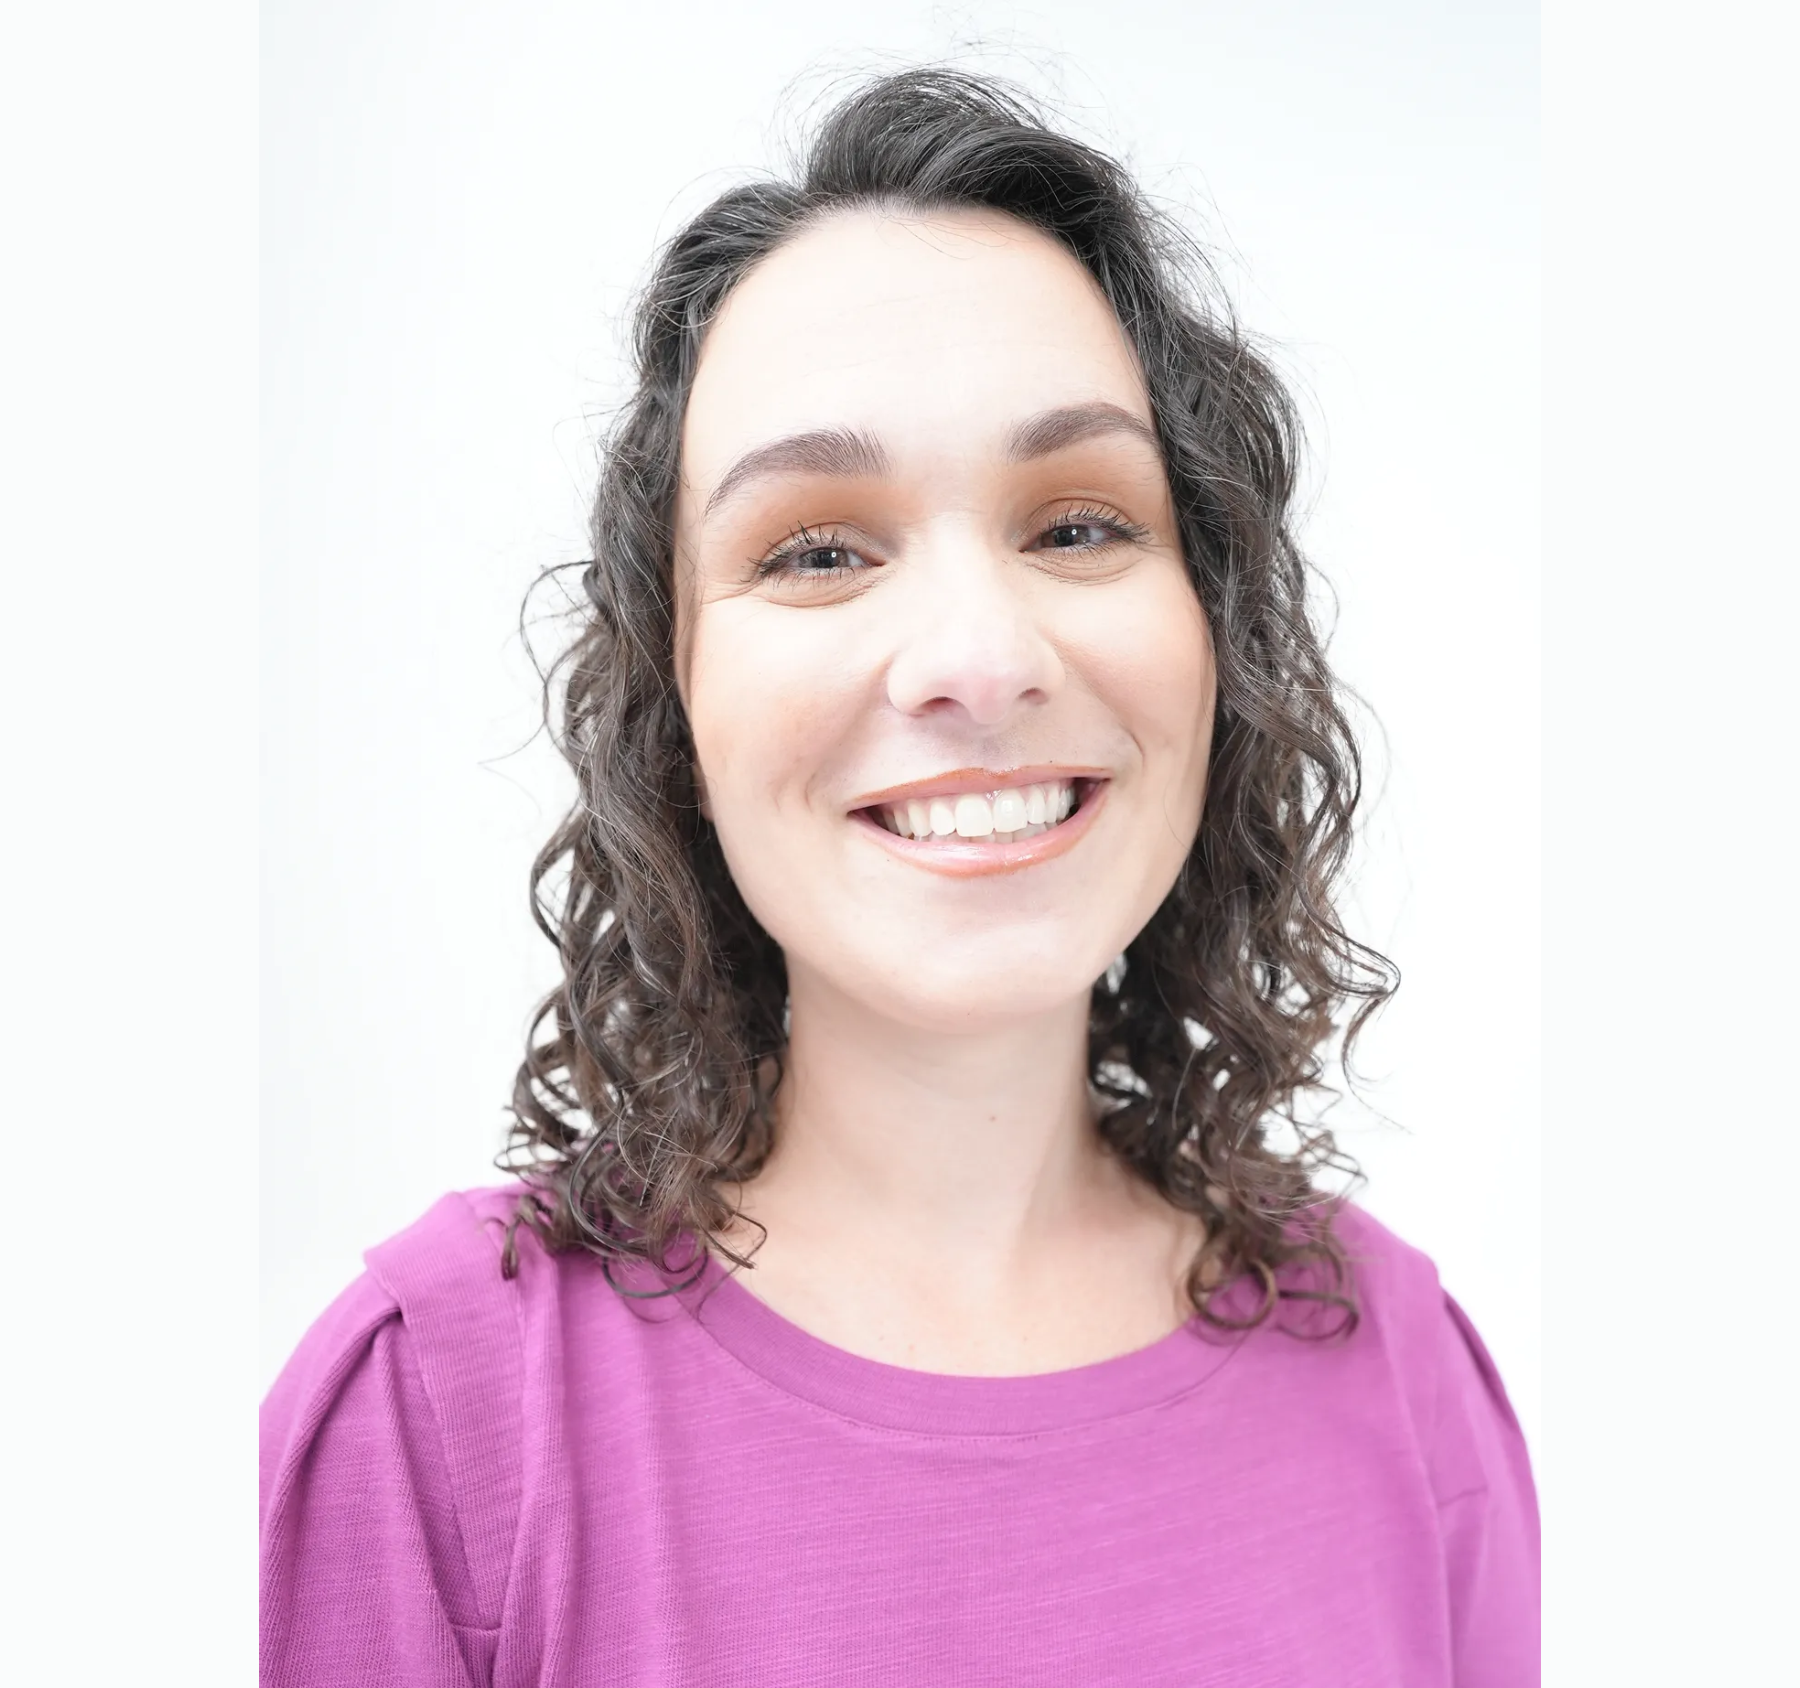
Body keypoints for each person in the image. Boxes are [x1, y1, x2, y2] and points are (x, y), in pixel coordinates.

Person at [260, 68, 1539, 1687]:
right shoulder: (430, 1417)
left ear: (1220, 643)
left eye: (1079, 524)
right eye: (816, 550)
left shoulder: (1402, 1374)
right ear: (675, 709)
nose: (979, 657)